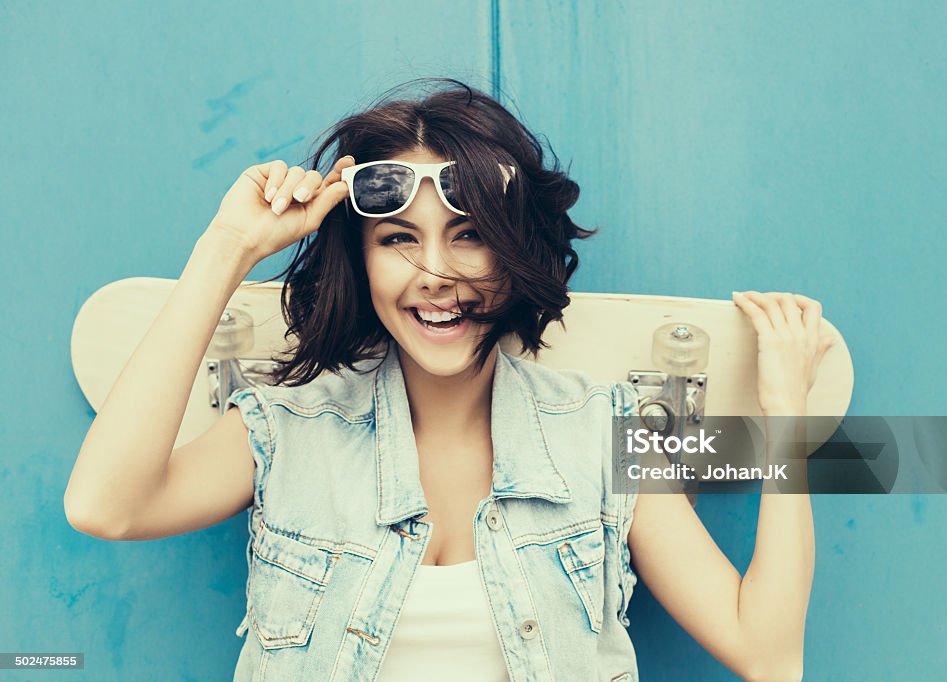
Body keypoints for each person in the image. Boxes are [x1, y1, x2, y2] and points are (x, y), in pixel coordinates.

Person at [64, 78, 834, 681]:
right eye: (399, 239)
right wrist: (227, 247)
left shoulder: (601, 434)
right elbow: (104, 506)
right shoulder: (287, 431)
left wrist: (783, 416)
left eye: (469, 236)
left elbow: (769, 656)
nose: (436, 274)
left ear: (516, 250)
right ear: (361, 261)